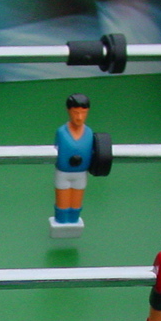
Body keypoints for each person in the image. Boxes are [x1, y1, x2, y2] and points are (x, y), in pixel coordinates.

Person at [52, 93, 93, 231]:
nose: (79, 117)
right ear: (68, 111)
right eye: (76, 113)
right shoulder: (61, 132)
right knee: (62, 201)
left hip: (81, 173)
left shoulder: (89, 133)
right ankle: (61, 222)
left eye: (83, 113)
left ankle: (74, 222)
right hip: (63, 173)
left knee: (76, 202)